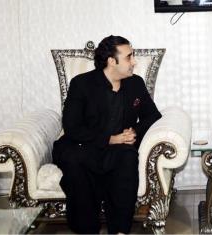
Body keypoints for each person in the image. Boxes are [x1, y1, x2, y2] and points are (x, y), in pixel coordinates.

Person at [52, 35, 162, 234]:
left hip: (117, 149)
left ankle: (120, 230)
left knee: (127, 157)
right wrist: (110, 138)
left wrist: (134, 131)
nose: (134, 62)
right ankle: (87, 230)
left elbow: (153, 115)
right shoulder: (82, 84)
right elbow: (72, 127)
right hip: (83, 145)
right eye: (129, 57)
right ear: (112, 61)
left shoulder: (135, 83)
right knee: (76, 163)